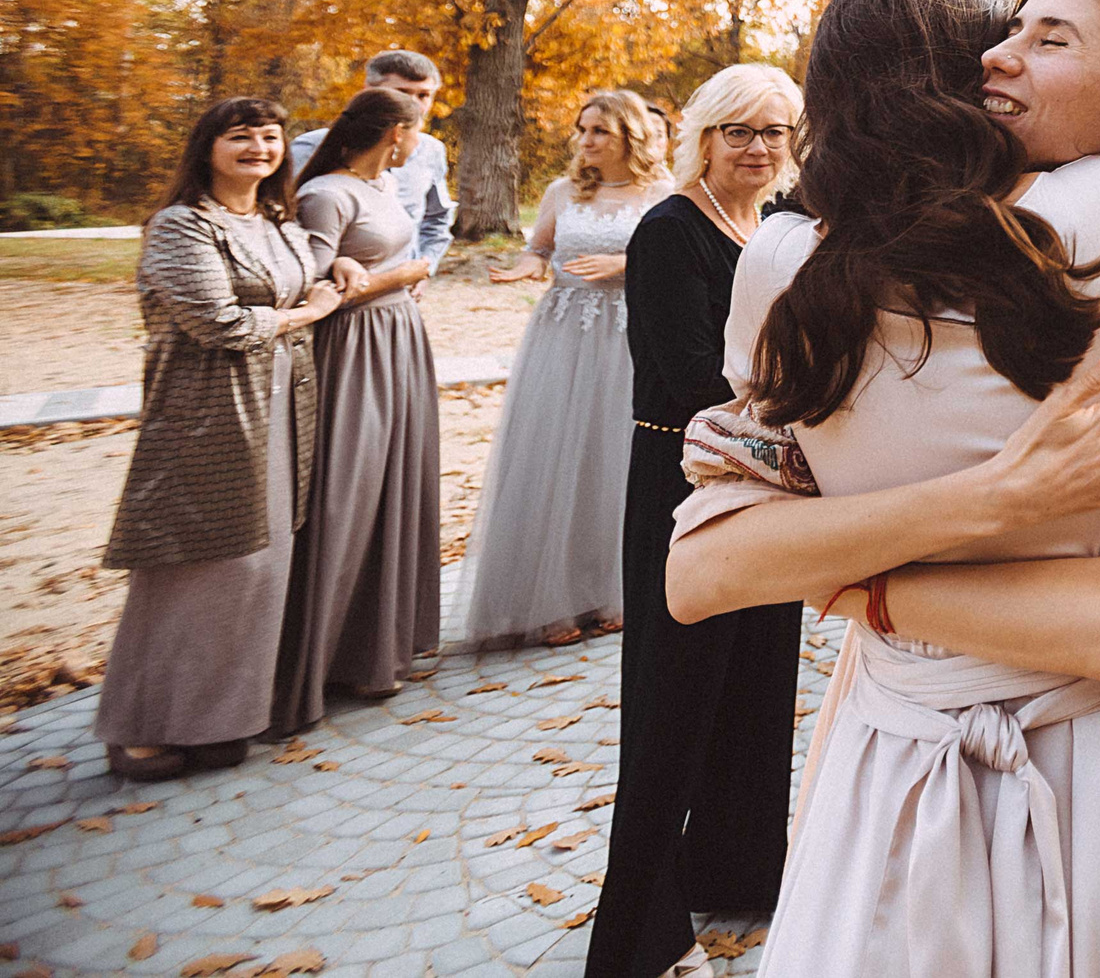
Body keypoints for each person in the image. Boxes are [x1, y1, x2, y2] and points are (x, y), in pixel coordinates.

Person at [662, 0, 1100, 978]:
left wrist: (858, 588)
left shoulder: (781, 262)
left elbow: (704, 571)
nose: (1005, 57)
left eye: (1044, 38)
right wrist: (998, 497)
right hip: (1095, 759)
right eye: (1004, 35)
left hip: (890, 739)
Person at [585, 63, 805, 978]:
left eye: (774, 134)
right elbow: (684, 376)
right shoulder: (669, 232)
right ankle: (640, 929)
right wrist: (805, 404)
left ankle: (740, 866)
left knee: (758, 682)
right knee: (673, 705)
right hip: (683, 481)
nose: (758, 149)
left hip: (769, 483)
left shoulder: (780, 230)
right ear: (704, 138)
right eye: (738, 132)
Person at [97, 98, 346, 780]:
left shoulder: (273, 219)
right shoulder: (181, 226)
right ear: (207, 147)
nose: (259, 148)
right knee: (194, 563)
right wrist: (312, 310)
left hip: (281, 404)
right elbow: (221, 322)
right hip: (207, 412)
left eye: (270, 137)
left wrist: (335, 277)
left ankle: (218, 719)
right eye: (241, 137)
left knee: (258, 563)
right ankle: (141, 723)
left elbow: (303, 280)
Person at [456, 91, 673, 650]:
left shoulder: (663, 193)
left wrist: (626, 263)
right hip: (562, 336)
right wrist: (523, 267)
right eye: (582, 130)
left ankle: (607, 591)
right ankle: (547, 599)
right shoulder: (561, 190)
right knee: (553, 458)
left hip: (627, 337)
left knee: (612, 460)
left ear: (629, 133)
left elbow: (678, 258)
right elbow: (542, 249)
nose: (585, 141)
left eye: (598, 130)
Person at [275, 86, 442, 727]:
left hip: (398, 340)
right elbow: (306, 287)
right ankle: (323, 658)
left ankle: (376, 647)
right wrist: (393, 277)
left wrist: (396, 279)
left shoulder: (381, 189)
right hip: (353, 349)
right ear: (394, 132)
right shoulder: (327, 193)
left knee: (394, 487)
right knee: (350, 488)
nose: (419, 145)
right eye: (416, 132)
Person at [289, 50, 452, 276]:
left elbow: (437, 218)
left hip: (402, 288)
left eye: (423, 95)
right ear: (368, 92)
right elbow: (287, 219)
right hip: (338, 286)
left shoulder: (431, 150)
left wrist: (425, 267)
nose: (414, 105)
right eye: (402, 92)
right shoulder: (311, 147)